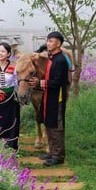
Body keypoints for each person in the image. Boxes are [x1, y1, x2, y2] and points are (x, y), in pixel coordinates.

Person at [29, 31, 70, 166]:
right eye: (47, 41)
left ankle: (58, 156)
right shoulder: (52, 58)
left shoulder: (61, 60)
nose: (48, 43)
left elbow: (57, 82)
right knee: (49, 124)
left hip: (57, 97)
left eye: (51, 41)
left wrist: (39, 83)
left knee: (57, 126)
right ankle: (52, 153)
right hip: (49, 96)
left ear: (58, 43)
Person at [0, 42, 20, 150]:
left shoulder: (14, 68)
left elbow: (17, 83)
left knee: (11, 120)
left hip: (11, 98)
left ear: (8, 54)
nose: (0, 53)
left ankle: (11, 146)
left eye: (3, 51)